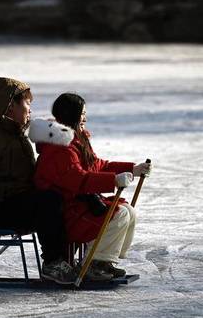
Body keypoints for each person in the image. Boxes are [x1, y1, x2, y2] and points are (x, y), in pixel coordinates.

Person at [0, 77, 76, 285]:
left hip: (22, 202)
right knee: (49, 201)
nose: (30, 110)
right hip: (2, 210)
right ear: (10, 106)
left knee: (65, 197)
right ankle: (53, 263)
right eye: (27, 104)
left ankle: (67, 261)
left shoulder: (17, 132)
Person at [30, 93, 151, 281]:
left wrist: (132, 169)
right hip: (66, 211)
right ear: (72, 114)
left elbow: (96, 165)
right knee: (119, 214)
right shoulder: (59, 146)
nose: (85, 118)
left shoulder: (76, 139)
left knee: (129, 211)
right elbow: (76, 179)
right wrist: (113, 181)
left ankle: (102, 261)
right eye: (82, 113)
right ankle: (94, 263)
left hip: (80, 204)